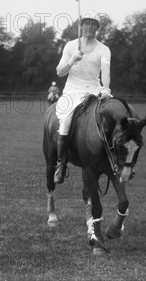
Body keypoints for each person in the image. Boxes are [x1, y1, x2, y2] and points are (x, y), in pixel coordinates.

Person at [54, 11, 112, 184]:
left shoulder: (104, 49)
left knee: (113, 117)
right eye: (86, 23)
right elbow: (59, 72)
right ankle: (61, 163)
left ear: (97, 28)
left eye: (93, 24)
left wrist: (107, 88)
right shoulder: (71, 46)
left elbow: (105, 72)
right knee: (65, 121)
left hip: (94, 90)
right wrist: (72, 60)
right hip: (72, 91)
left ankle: (115, 160)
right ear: (81, 26)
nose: (89, 27)